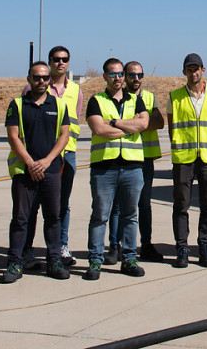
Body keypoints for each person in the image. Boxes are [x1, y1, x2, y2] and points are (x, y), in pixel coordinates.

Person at [1, 62, 72, 283]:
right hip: (25, 171)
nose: (41, 81)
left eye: (44, 77)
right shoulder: (17, 105)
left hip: (50, 170)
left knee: (52, 217)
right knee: (21, 219)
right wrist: (31, 163)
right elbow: (13, 137)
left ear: (50, 80)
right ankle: (15, 261)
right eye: (36, 77)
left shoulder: (59, 105)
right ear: (29, 79)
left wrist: (47, 161)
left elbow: (64, 136)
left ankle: (54, 261)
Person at [83, 57, 150, 280]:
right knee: (100, 215)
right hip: (104, 168)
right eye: (112, 74)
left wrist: (114, 122)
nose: (118, 78)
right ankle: (95, 261)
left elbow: (143, 124)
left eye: (121, 73)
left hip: (132, 167)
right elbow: (99, 129)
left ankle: (130, 258)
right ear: (105, 76)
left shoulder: (136, 100)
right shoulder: (96, 101)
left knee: (130, 215)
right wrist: (128, 127)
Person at [20, 45, 84, 268]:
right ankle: (26, 250)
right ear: (49, 61)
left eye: (65, 59)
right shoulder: (32, 87)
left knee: (61, 205)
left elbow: (72, 124)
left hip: (66, 154)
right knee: (32, 205)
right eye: (56, 59)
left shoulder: (76, 90)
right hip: (38, 156)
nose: (60, 63)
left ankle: (60, 248)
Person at [167, 52, 207, 268]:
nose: (193, 73)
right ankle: (182, 247)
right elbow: (173, 127)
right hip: (184, 159)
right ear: (184, 72)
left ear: (203, 70)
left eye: (196, 69)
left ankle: (205, 246)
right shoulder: (175, 96)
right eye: (189, 69)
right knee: (181, 205)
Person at [126, 60, 166, 262]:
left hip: (145, 160)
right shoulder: (119, 98)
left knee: (144, 205)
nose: (136, 78)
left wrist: (134, 123)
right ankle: (119, 246)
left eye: (139, 75)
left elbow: (159, 121)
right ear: (125, 76)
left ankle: (147, 245)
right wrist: (143, 122)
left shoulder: (150, 98)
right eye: (132, 75)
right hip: (123, 158)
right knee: (122, 206)